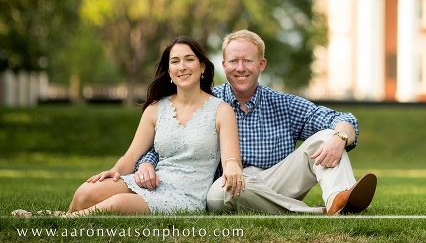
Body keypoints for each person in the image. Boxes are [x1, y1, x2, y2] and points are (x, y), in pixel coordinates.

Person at [134, 29, 376, 215]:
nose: (241, 68)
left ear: (261, 65)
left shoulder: (284, 104)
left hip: (280, 180)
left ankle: (339, 199)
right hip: (232, 187)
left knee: (327, 136)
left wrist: (340, 138)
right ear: (224, 65)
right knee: (219, 195)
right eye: (234, 61)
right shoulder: (208, 104)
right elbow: (170, 142)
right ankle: (320, 212)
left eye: (248, 61)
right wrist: (147, 163)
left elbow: (343, 119)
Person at [14, 36, 244, 217]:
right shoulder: (155, 109)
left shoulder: (221, 110)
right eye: (175, 61)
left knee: (117, 204)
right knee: (86, 192)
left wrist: (233, 166)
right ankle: (61, 217)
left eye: (189, 59)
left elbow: (231, 159)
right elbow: (131, 156)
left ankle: (54, 220)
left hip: (187, 195)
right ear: (170, 72)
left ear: (202, 66)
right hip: (155, 183)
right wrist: (114, 173)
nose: (182, 66)